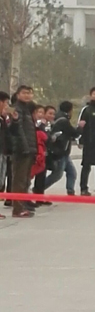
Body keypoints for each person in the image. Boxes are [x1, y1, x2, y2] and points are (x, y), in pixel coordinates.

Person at [46, 101, 85, 195]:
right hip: (61, 151)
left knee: (72, 172)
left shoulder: (59, 118)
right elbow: (74, 133)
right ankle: (39, 188)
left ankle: (70, 190)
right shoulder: (63, 121)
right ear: (70, 110)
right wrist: (80, 127)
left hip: (64, 151)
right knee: (57, 175)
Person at [9, 86, 36, 218]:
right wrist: (25, 148)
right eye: (24, 93)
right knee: (19, 180)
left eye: (29, 93)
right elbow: (18, 130)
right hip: (21, 150)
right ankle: (17, 208)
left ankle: (23, 205)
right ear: (18, 94)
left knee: (25, 180)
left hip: (29, 148)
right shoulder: (17, 109)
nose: (27, 95)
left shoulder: (27, 109)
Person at [0, 91, 10, 219]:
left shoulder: (3, 119)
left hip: (3, 152)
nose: (7, 106)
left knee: (1, 181)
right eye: (6, 103)